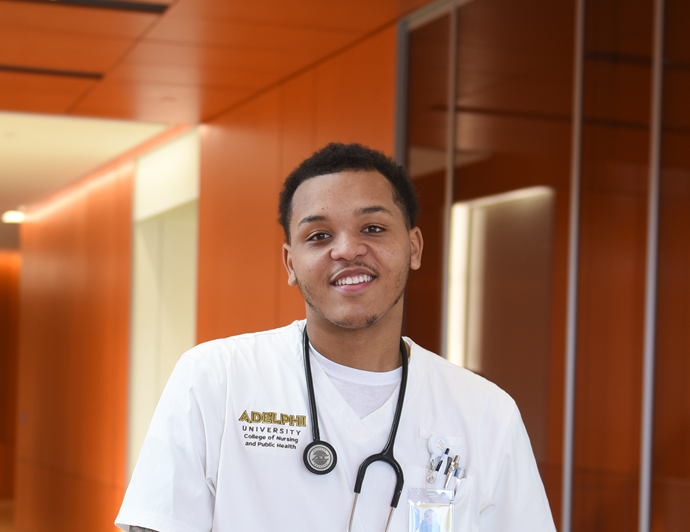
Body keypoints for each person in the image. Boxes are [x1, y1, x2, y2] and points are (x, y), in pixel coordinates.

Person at [116, 143, 555, 532]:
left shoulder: (485, 413)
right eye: (319, 235)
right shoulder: (217, 378)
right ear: (290, 263)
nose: (346, 250)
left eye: (373, 228)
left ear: (415, 247)